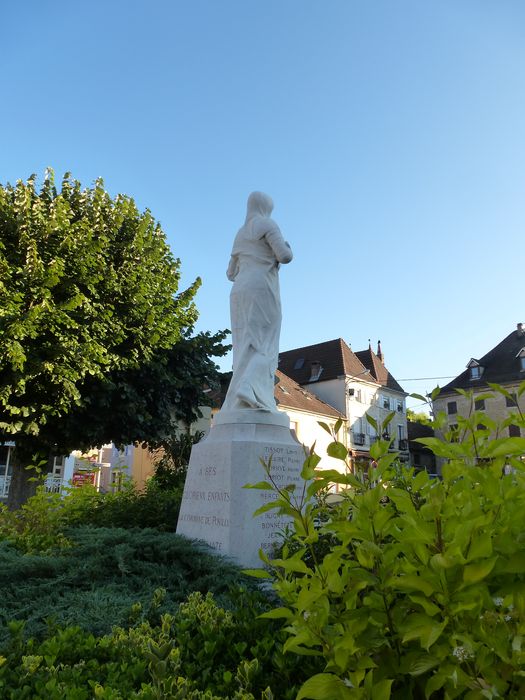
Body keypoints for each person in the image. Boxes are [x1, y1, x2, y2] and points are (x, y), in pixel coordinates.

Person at [222, 191, 292, 413]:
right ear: (266, 208)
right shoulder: (268, 225)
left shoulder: (240, 233)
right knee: (266, 344)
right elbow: (285, 256)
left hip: (239, 291)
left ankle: (238, 400)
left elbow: (230, 273)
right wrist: (287, 247)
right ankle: (248, 387)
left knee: (244, 347)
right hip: (261, 288)